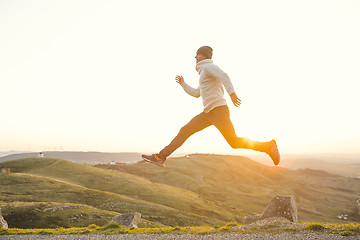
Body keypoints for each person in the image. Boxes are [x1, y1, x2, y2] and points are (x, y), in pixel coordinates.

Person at [142, 46, 280, 167]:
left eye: (198, 54)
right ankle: (161, 157)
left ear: (205, 55)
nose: (195, 56)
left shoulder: (208, 67)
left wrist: (232, 94)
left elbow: (224, 75)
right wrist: (183, 83)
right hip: (208, 113)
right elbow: (197, 93)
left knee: (234, 142)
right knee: (185, 130)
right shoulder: (203, 73)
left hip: (219, 110)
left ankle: (268, 146)